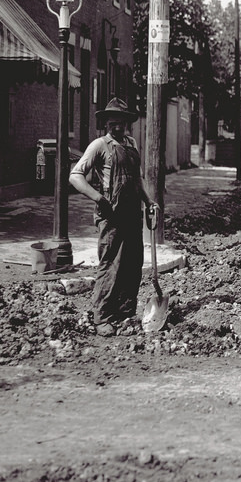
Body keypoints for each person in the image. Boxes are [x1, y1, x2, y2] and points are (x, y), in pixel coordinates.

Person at [69, 98, 158, 337]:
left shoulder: (131, 144)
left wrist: (148, 201)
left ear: (127, 123)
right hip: (111, 214)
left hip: (132, 213)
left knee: (132, 263)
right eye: (112, 123)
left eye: (121, 123)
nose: (117, 127)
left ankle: (125, 312)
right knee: (110, 265)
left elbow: (137, 179)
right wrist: (97, 197)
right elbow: (75, 176)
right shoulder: (99, 145)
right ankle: (101, 317)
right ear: (106, 123)